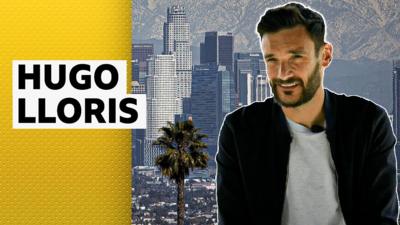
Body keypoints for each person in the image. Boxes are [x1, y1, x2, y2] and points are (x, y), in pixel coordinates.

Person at [216, 2, 398, 225]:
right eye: (272, 60)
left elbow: (381, 219)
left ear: (325, 55)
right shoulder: (240, 130)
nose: (283, 74)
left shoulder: (368, 123)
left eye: (296, 57)